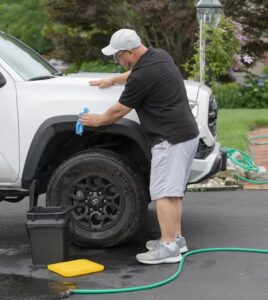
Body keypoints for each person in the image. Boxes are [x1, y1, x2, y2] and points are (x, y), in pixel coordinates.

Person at [80, 29, 199, 264]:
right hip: (186, 134)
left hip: (169, 139)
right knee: (174, 192)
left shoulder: (141, 76)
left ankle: (167, 249)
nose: (117, 61)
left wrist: (98, 120)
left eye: (117, 56)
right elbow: (135, 73)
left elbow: (119, 110)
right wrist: (113, 79)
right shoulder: (159, 56)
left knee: (163, 193)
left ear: (131, 52)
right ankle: (176, 240)